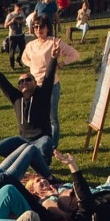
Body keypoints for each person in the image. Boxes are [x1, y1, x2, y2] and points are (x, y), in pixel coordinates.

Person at [20, 17, 80, 150]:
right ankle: (37, 145)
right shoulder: (31, 45)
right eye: (35, 27)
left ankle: (52, 147)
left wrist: (61, 63)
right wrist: (32, 66)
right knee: (36, 118)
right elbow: (24, 58)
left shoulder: (54, 42)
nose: (38, 30)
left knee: (52, 118)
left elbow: (74, 54)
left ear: (47, 28)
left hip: (51, 86)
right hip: (35, 87)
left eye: (41, 27)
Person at [3, 4, 27, 69]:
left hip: (20, 34)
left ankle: (18, 59)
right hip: (12, 36)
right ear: (15, 9)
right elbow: (5, 26)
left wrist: (22, 22)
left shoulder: (22, 13)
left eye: (20, 10)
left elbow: (25, 22)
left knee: (23, 49)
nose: (19, 11)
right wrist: (11, 21)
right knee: (12, 51)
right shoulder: (10, 15)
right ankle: (12, 65)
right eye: (18, 10)